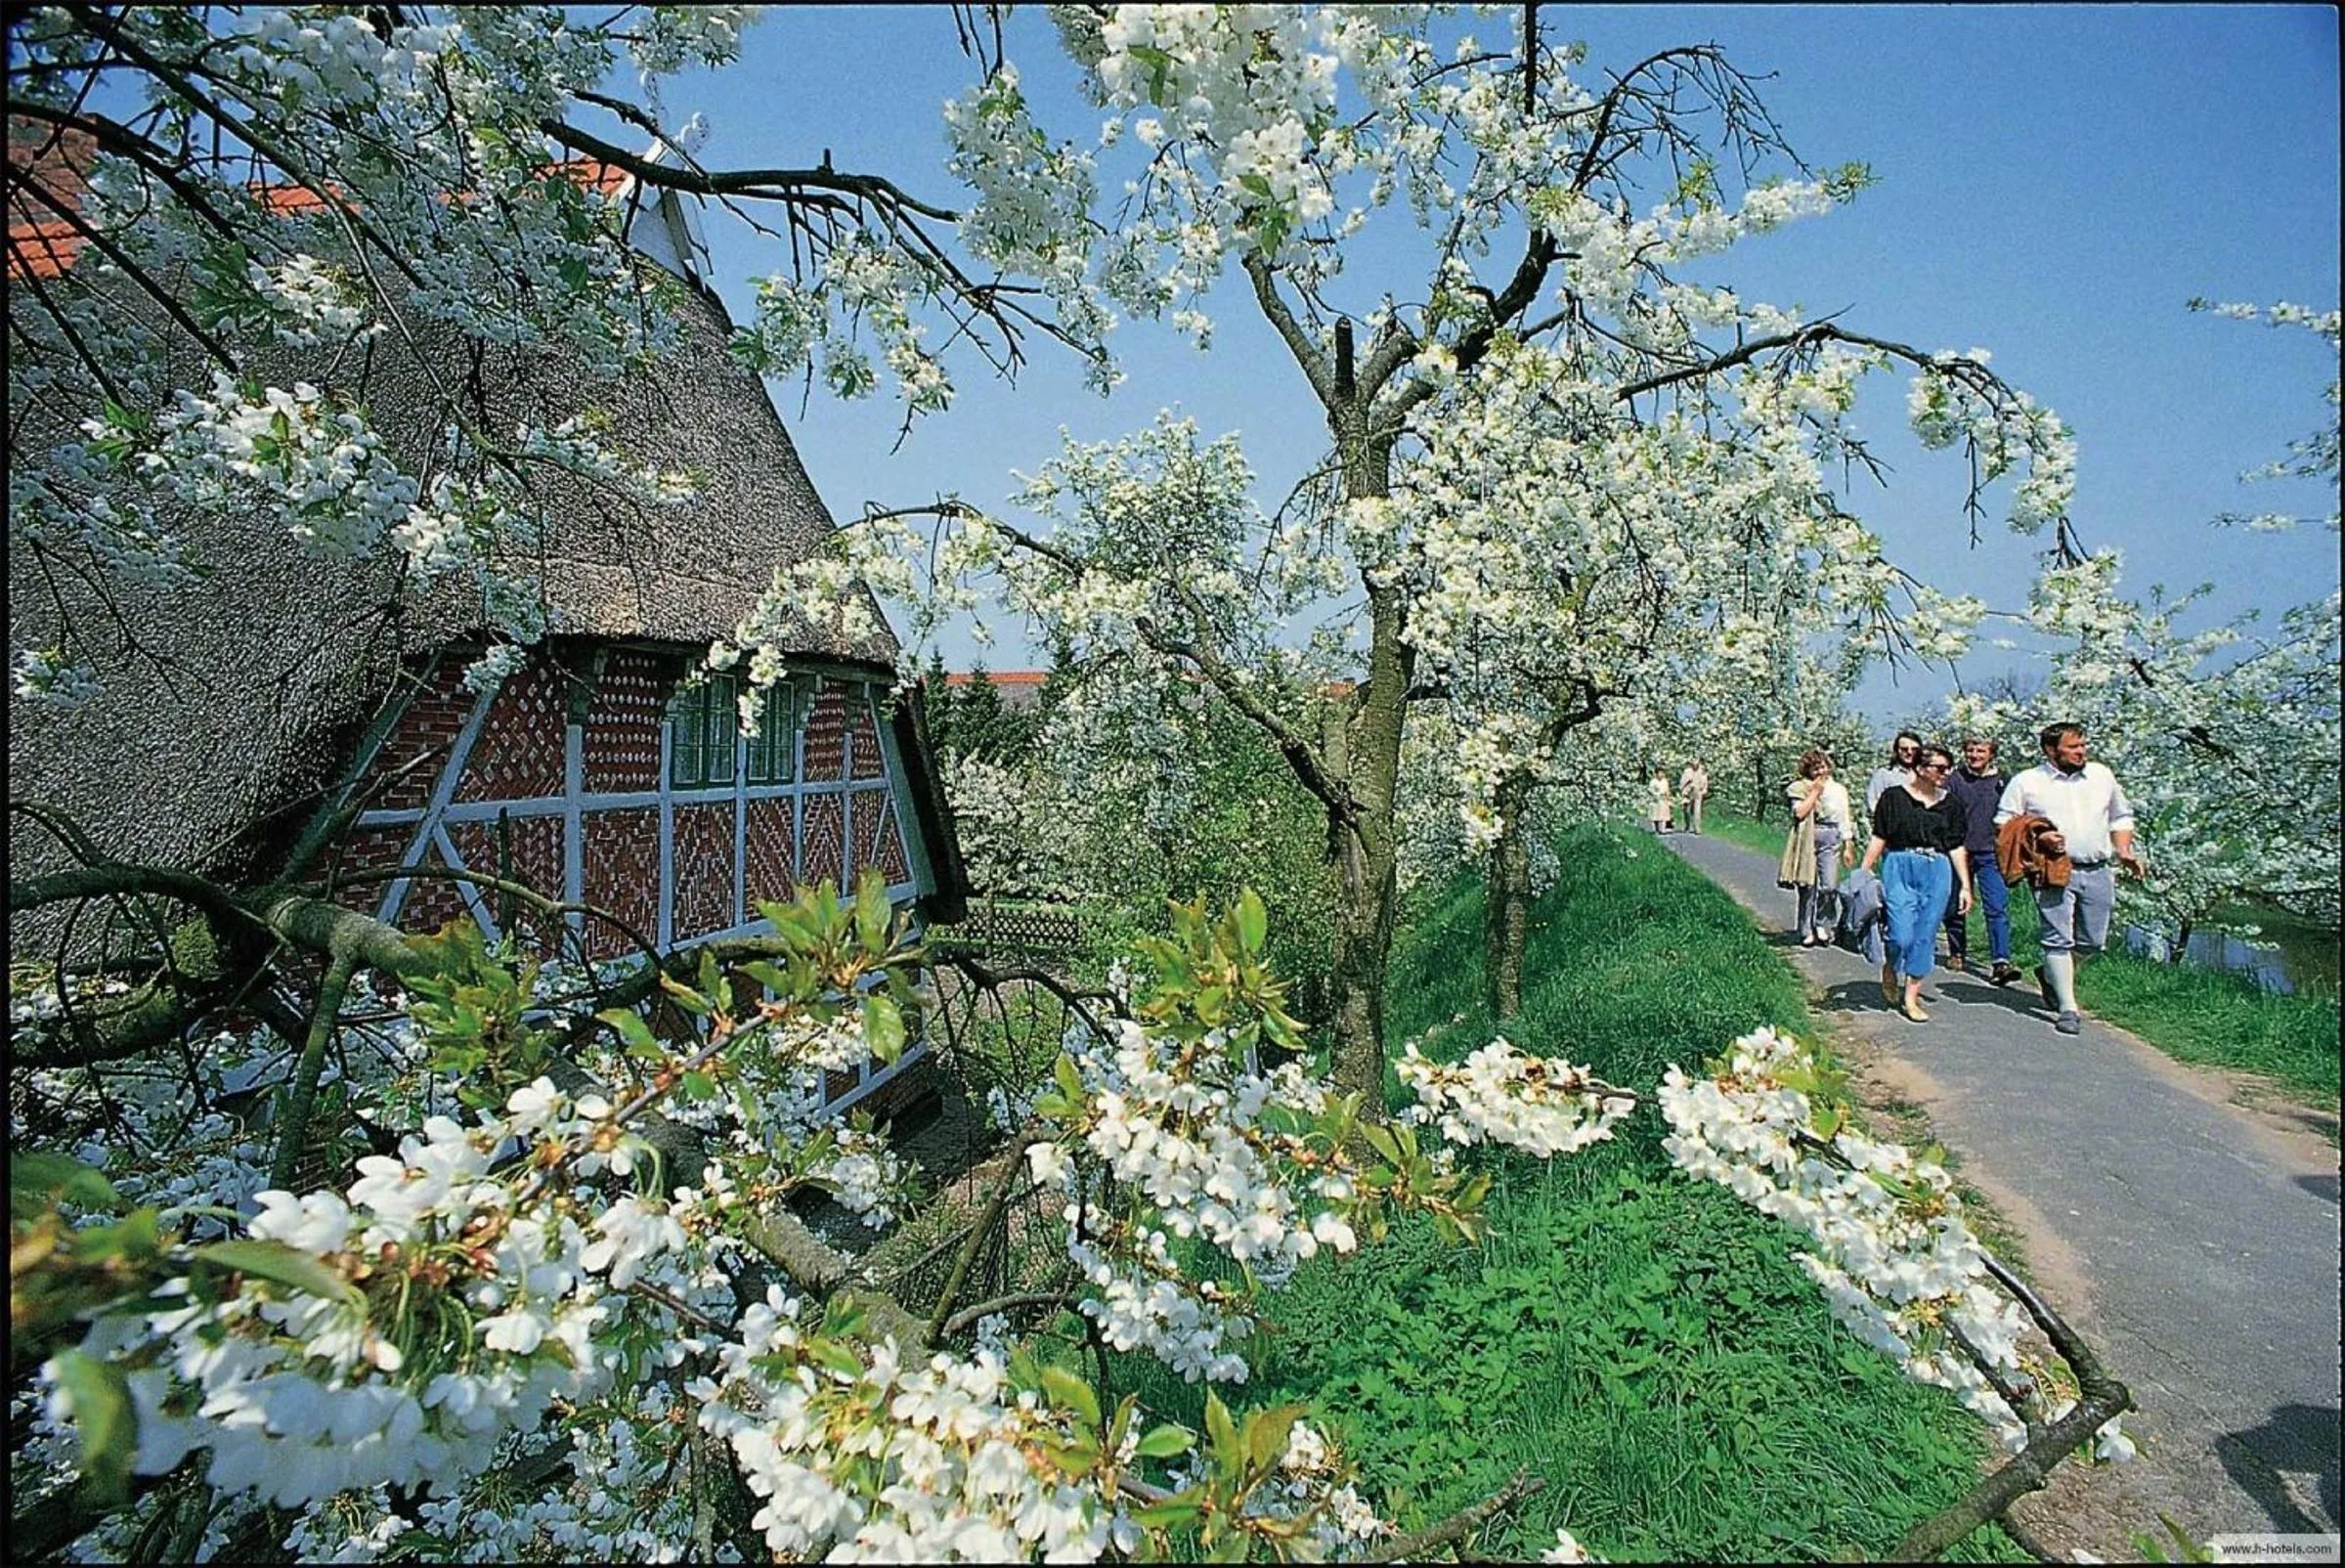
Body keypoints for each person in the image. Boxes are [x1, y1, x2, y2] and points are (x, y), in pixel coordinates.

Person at [1995, 722, 2144, 1035]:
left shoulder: (2101, 776)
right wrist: (2040, 836)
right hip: (2052, 869)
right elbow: (2004, 824)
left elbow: (2121, 815)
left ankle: (2050, 976)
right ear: (2051, 750)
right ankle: (2068, 1009)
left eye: (2083, 746)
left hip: (2098, 868)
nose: (2081, 752)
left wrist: (2125, 850)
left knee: (2092, 941)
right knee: (2057, 937)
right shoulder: (2027, 782)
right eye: (2073, 747)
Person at [1860, 742, 1974, 1024]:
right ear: (1920, 768)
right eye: (1939, 768)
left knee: (1925, 934)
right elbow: (1880, 836)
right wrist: (1863, 871)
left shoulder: (1951, 805)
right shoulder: (1893, 798)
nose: (1946, 773)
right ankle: (1891, 964)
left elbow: (1957, 846)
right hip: (1900, 864)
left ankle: (1911, 996)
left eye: (1949, 768)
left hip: (1938, 869)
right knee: (1900, 933)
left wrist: (1966, 886)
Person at [1940, 736, 2019, 982]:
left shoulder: (2003, 781)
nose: (1975, 755)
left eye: (1980, 751)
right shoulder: (1955, 780)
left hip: (1990, 852)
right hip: (1959, 850)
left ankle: (2000, 961)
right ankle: (1957, 949)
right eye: (1970, 750)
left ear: (1990, 754)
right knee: (1955, 904)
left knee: (1996, 905)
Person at [1784, 750, 1854, 945]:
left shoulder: (1838, 790)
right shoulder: (1800, 787)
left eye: (1822, 767)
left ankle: (1823, 922)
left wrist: (1848, 843)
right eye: (1815, 768)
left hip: (1831, 835)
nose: (1820, 771)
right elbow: (1799, 812)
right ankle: (1806, 928)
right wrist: (1815, 792)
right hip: (1807, 836)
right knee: (1807, 886)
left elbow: (1843, 817)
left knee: (1829, 885)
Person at [1865, 731, 1922, 817]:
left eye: (1914, 749)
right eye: (1904, 749)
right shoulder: (1884, 775)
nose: (1909, 752)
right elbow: (1873, 804)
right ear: (1896, 751)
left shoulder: (1927, 776)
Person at [1679, 759, 1711, 836]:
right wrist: (1683, 791)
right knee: (1686, 810)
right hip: (1688, 792)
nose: (1695, 766)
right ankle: (1687, 825)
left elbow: (1705, 782)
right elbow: (1682, 782)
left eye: (1697, 764)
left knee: (1697, 810)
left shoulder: (1702, 771)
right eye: (1693, 764)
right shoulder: (1687, 772)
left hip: (1698, 792)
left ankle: (1697, 828)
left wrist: (1703, 791)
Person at [1647, 769, 1674, 834]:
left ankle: (1662, 829)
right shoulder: (1653, 781)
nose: (1661, 775)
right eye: (1660, 773)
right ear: (1656, 774)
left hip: (1663, 799)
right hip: (1655, 800)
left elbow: (1667, 790)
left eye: (1662, 773)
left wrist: (1669, 799)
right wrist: (1655, 794)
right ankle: (1655, 829)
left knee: (1664, 815)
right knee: (1655, 815)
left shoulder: (1665, 781)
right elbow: (1650, 790)